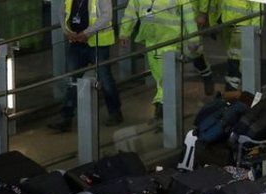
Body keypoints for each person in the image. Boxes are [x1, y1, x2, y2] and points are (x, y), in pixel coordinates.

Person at [46, 0, 123, 132]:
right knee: (73, 81)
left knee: (105, 79)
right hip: (76, 42)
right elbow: (62, 12)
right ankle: (66, 118)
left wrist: (87, 33)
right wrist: (67, 31)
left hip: (98, 43)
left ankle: (115, 112)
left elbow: (106, 16)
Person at [120, 0, 196, 122]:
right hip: (151, 42)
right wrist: (124, 32)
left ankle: (162, 108)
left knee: (166, 78)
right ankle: (163, 109)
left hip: (170, 41)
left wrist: (193, 39)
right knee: (159, 76)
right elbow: (130, 12)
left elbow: (188, 16)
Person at [219, 0, 261, 91]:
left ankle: (234, 94)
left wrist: (254, 30)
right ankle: (236, 96)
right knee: (233, 56)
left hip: (243, 25)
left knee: (237, 59)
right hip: (227, 23)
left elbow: (257, 7)